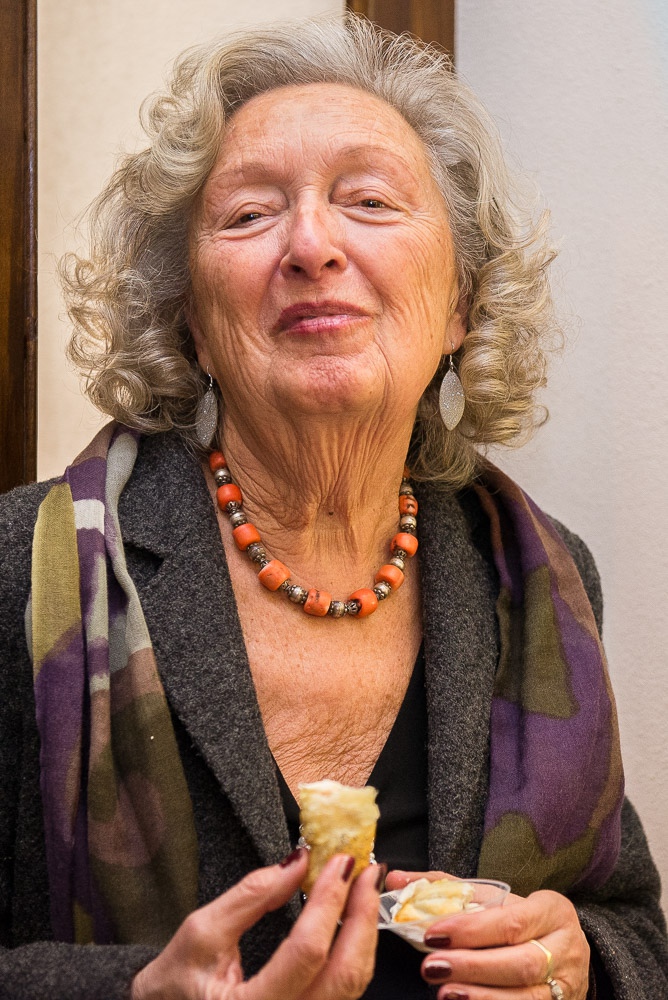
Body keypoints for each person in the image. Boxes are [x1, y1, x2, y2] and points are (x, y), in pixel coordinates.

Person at [0, 14, 666, 1000]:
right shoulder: (21, 568)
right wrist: (132, 992)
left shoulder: (536, 581)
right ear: (191, 322)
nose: (311, 243)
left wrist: (581, 961)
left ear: (460, 303)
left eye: (368, 200)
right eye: (249, 214)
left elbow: (629, 924)